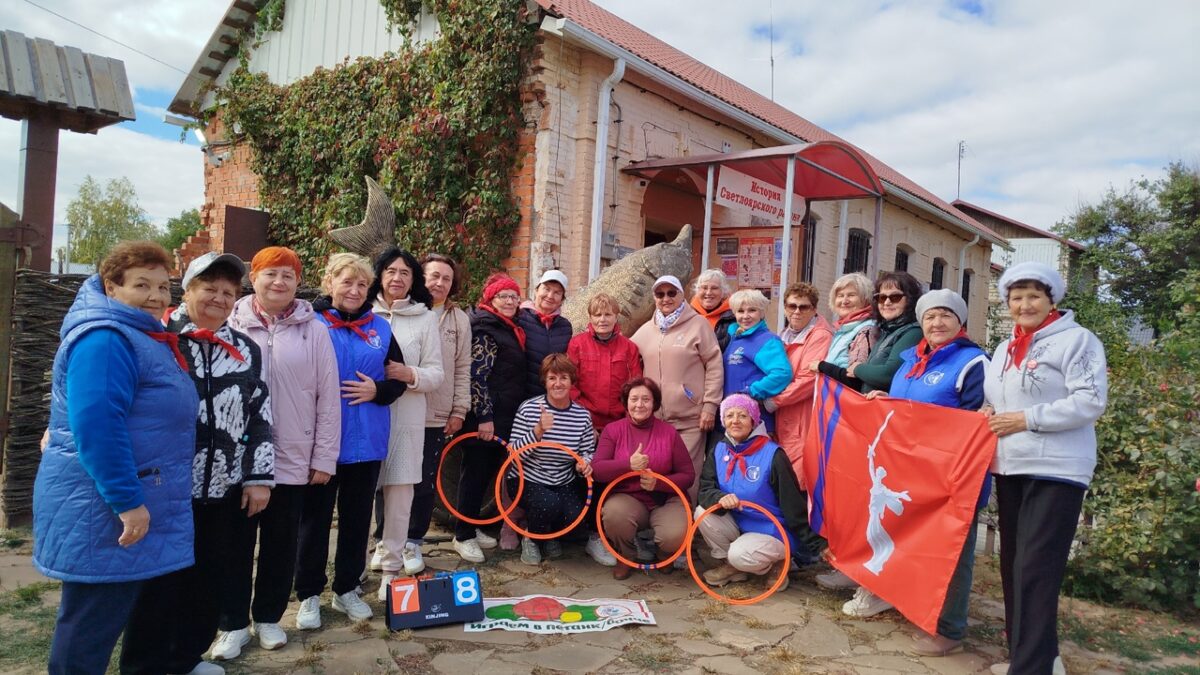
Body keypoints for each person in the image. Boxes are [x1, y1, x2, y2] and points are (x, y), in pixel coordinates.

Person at [34, 241, 198, 675]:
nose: (156, 296)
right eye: (141, 285)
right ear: (111, 286)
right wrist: (128, 502)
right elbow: (98, 428)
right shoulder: (107, 339)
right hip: (104, 508)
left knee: (117, 617)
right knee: (90, 628)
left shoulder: (139, 335)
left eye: (163, 287)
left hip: (133, 498)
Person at [124, 253, 275, 671]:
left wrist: (258, 477)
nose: (219, 298)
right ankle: (145, 666)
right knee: (159, 583)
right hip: (167, 489)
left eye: (229, 292)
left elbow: (259, 414)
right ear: (187, 290)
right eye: (209, 288)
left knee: (210, 577)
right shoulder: (158, 340)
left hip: (224, 489)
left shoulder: (246, 348)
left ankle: (189, 656)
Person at [983, 262, 1107, 675]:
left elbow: (1089, 400)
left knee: (1036, 567)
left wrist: (1026, 418)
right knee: (1015, 566)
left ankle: (1031, 667)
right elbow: (999, 400)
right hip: (1012, 465)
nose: (1024, 304)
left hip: (1058, 467)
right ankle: (1036, 659)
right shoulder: (1004, 348)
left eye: (1034, 296)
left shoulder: (1077, 341)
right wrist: (992, 412)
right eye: (1016, 298)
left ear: (1051, 299)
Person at [860, 289, 990, 651]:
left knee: (952, 550)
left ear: (960, 322)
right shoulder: (910, 361)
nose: (937, 323)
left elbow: (978, 418)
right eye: (930, 316)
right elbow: (910, 406)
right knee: (918, 543)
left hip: (954, 474)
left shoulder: (973, 362)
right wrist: (888, 402)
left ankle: (949, 629)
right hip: (914, 472)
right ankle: (918, 608)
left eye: (946, 316)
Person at [226, 247, 341, 638]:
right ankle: (234, 624)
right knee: (236, 545)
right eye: (271, 274)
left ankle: (269, 618)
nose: (279, 282)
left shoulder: (314, 329)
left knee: (281, 542)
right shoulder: (231, 323)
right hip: (237, 457)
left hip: (293, 452)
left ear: (298, 283)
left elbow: (328, 396)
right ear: (253, 277)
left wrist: (324, 456)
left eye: (288, 276)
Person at [295, 253, 408, 626]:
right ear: (330, 284)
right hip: (321, 443)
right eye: (347, 282)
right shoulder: (310, 324)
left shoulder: (381, 329)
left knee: (357, 520)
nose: (355, 290)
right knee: (313, 521)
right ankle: (310, 593)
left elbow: (397, 381)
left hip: (367, 440)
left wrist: (377, 389)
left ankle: (346, 589)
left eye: (362, 284)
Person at [389, 253, 472, 577]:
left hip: (436, 414)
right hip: (397, 409)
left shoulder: (458, 320)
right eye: (433, 276)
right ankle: (386, 542)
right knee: (391, 480)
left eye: (446, 278)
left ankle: (412, 541)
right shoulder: (399, 311)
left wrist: (459, 408)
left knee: (423, 483)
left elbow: (464, 367)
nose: (439, 283)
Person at [369, 248, 444, 599]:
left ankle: (392, 569)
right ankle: (352, 571)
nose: (397, 277)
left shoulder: (425, 318)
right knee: (358, 495)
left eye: (405, 272)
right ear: (379, 275)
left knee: (400, 494)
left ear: (414, 280)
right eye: (390, 270)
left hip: (407, 419)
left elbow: (436, 374)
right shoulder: (362, 313)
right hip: (364, 417)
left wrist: (408, 373)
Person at [695, 395, 823, 590]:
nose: (735, 421)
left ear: (753, 420)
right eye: (729, 415)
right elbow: (705, 489)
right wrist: (720, 498)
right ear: (723, 421)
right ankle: (733, 566)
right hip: (739, 523)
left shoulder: (773, 455)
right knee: (702, 513)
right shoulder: (718, 450)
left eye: (742, 416)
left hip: (773, 530)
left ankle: (780, 560)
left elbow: (793, 504)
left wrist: (817, 545)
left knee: (740, 554)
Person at [452, 273, 528, 563]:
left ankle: (473, 527)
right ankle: (462, 535)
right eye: (503, 296)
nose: (509, 301)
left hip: (503, 414)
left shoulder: (509, 327)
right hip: (485, 417)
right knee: (474, 474)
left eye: (513, 296)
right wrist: (484, 415)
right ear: (490, 300)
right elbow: (477, 376)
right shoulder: (486, 328)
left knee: (487, 475)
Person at [631, 275, 723, 499]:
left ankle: (685, 520)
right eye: (660, 294)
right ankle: (659, 521)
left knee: (687, 473)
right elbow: (627, 357)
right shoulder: (644, 331)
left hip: (690, 418)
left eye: (671, 293)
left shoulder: (699, 324)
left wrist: (710, 405)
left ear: (682, 295)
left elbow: (714, 364)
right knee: (657, 471)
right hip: (655, 419)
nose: (666, 298)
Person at [592, 378, 694, 580]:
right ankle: (626, 556)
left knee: (674, 534)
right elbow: (597, 470)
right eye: (634, 399)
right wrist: (627, 465)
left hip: (665, 499)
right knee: (613, 514)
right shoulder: (613, 430)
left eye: (646, 399)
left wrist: (660, 483)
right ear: (626, 402)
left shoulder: (669, 432)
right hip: (629, 497)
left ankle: (665, 555)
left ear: (654, 403)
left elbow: (688, 475)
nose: (640, 404)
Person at [505, 354, 600, 566]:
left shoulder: (582, 416)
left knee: (576, 514)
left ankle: (548, 534)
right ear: (544, 382)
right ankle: (532, 537)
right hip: (526, 479)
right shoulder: (529, 409)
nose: (558, 383)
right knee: (548, 503)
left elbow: (586, 451)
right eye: (552, 378)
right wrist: (538, 430)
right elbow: (512, 457)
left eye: (564, 377)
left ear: (571, 381)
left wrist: (583, 463)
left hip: (562, 480)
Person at [817, 272, 922, 393]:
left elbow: (888, 374)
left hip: (882, 408)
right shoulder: (887, 330)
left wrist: (857, 369)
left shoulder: (911, 331)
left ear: (910, 300)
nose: (887, 302)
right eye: (882, 298)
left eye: (895, 297)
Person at [771, 282, 833, 484]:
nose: (796, 312)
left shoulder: (820, 336)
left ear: (814, 309)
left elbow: (808, 380)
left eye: (803, 307)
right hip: (785, 416)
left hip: (802, 416)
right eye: (791, 306)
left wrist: (774, 401)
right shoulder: (783, 335)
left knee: (798, 479)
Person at [567, 292, 643, 433]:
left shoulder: (629, 348)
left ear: (616, 317)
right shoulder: (577, 345)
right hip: (585, 422)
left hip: (619, 423)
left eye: (608, 314)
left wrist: (627, 422)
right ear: (590, 318)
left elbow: (636, 386)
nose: (602, 320)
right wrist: (583, 419)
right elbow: (570, 385)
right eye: (597, 315)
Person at [721, 289, 792, 431]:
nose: (745, 316)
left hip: (754, 420)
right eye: (740, 311)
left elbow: (782, 373)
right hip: (733, 418)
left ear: (762, 312)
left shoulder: (767, 340)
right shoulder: (734, 337)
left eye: (752, 310)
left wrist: (751, 391)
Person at [517, 269, 573, 398]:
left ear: (562, 299)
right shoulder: (519, 317)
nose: (550, 295)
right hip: (519, 395)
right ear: (536, 290)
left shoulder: (565, 326)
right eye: (546, 289)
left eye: (557, 292)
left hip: (550, 397)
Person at [808, 272, 876, 373]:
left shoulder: (866, 330)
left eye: (851, 295)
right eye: (840, 295)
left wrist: (822, 367)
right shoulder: (843, 329)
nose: (844, 301)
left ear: (866, 299)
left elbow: (855, 378)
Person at [690, 268, 737, 351]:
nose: (708, 293)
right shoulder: (686, 315)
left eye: (714, 288)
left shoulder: (735, 317)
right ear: (697, 291)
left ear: (723, 292)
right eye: (704, 288)